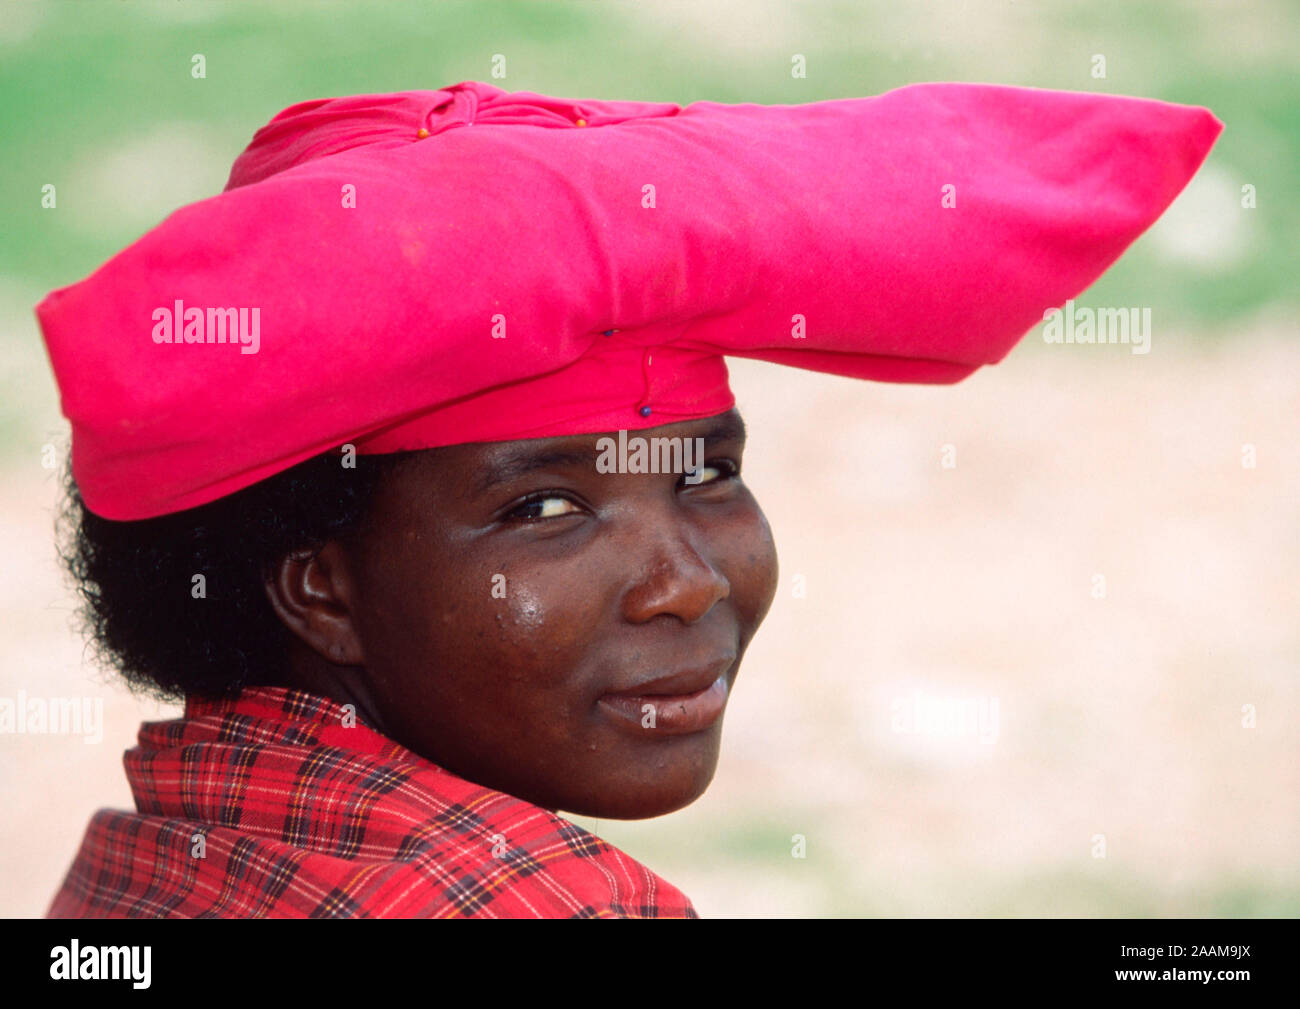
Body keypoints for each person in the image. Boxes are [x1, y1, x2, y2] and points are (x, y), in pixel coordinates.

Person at [37, 80, 1220, 917]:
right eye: (545, 509)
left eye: (706, 474)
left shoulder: (172, 836)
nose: (688, 581)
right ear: (318, 587)